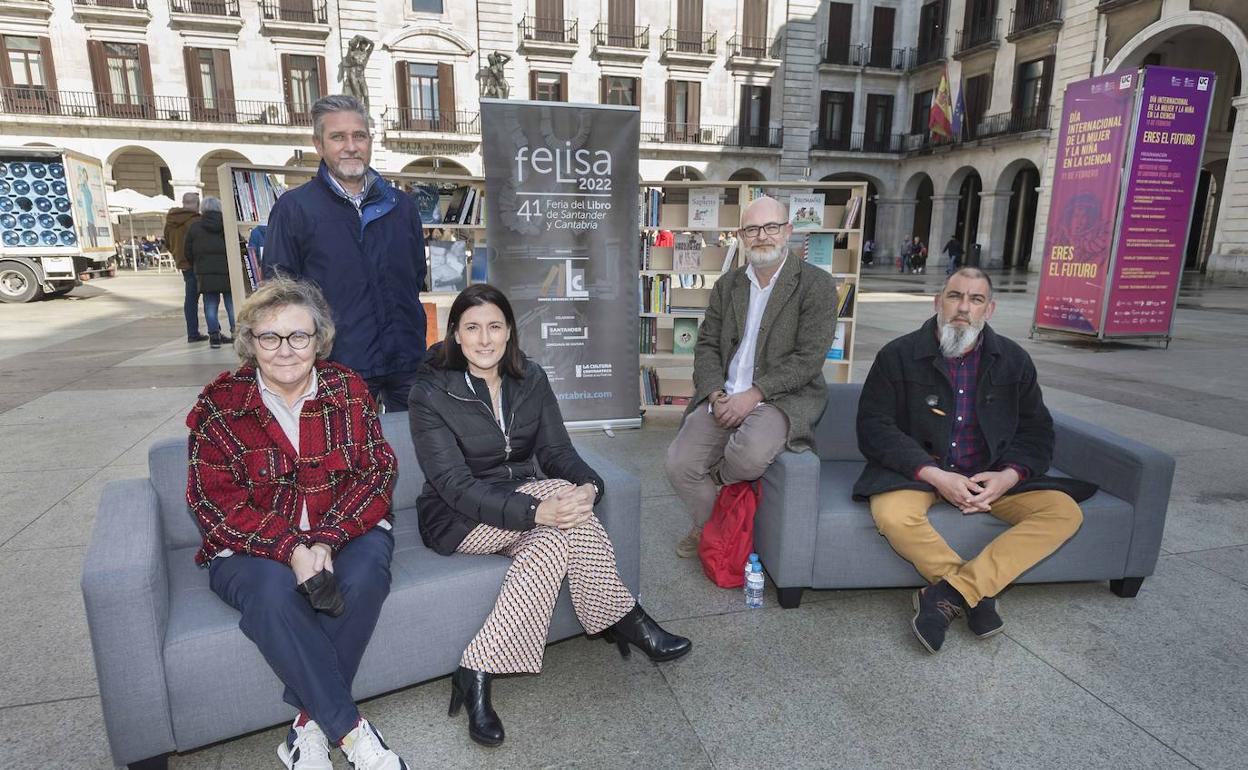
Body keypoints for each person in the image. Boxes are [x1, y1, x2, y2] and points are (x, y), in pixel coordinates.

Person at [408, 284, 691, 747]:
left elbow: (557, 450)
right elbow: (454, 486)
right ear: (455, 335)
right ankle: (627, 618)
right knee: (555, 508)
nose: (484, 339)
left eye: (494, 327)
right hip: (457, 515)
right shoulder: (430, 393)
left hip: (525, 501)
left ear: (509, 332)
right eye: (472, 328)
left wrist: (589, 485)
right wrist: (538, 508)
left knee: (554, 534)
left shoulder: (530, 378)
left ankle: (476, 669)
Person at [186, 277, 410, 770]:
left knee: (366, 572)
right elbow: (214, 502)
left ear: (318, 339)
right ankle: (350, 733)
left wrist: (327, 540)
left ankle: (305, 729)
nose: (285, 349)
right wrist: (291, 548)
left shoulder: (348, 389)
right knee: (272, 595)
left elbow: (377, 474)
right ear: (250, 341)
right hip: (251, 548)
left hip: (344, 531)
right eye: (270, 337)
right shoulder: (219, 406)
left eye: (298, 336)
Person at [854, 268, 1089, 654]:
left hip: (989, 477)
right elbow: (874, 427)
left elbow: (1038, 432)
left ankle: (950, 594)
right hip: (920, 474)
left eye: (975, 299)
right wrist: (935, 476)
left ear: (989, 309)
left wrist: (1007, 477)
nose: (963, 307)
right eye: (955, 296)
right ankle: (975, 595)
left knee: (1064, 512)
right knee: (893, 515)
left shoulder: (1013, 360)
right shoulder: (897, 355)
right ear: (938, 302)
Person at [665, 196, 838, 557]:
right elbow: (707, 345)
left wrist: (755, 394)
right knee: (679, 464)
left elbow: (808, 359)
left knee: (747, 458)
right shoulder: (728, 285)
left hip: (782, 396)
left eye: (771, 227)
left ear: (788, 231)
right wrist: (714, 393)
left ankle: (720, 495)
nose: (763, 236)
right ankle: (713, 528)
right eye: (752, 229)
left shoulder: (816, 285)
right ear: (742, 235)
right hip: (725, 395)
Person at [264, 94, 427, 412]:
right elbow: (280, 292)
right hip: (337, 365)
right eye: (338, 137)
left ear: (369, 141)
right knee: (347, 457)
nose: (350, 146)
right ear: (319, 145)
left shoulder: (401, 205)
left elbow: (415, 274)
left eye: (359, 136)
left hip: (406, 360)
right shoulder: (295, 208)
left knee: (414, 451)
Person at [184, 196, 236, 349]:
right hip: (228, 272)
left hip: (205, 273)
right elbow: (238, 245)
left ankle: (214, 336)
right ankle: (236, 333)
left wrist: (197, 264)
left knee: (210, 305)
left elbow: (187, 251)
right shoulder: (227, 225)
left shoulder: (195, 227)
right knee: (231, 304)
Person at [164, 191, 206, 343]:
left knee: (190, 298)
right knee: (208, 297)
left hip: (183, 264)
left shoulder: (170, 221)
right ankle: (202, 332)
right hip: (198, 262)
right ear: (197, 204)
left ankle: (192, 331)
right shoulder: (196, 220)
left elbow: (167, 242)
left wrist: (177, 254)